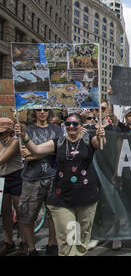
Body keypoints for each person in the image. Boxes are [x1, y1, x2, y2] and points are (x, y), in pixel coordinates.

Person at [14, 114, 106, 256]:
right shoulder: (58, 142)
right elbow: (36, 150)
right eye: (68, 124)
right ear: (64, 126)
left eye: (75, 124)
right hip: (62, 198)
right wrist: (25, 135)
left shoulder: (88, 141)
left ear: (81, 126)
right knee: (67, 238)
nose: (71, 127)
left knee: (82, 237)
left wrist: (101, 135)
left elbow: (100, 144)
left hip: (86, 197)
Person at [18, 108, 62, 256]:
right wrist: (48, 151)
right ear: (34, 112)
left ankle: (52, 244)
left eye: (45, 110)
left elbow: (60, 150)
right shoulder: (27, 130)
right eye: (38, 110)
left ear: (49, 112)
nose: (42, 112)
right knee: (28, 215)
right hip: (31, 178)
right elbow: (26, 155)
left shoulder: (56, 129)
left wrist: (36, 151)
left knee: (53, 214)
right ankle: (31, 248)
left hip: (53, 176)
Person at [0, 118, 26, 256]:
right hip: (2, 178)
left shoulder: (15, 142)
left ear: (9, 131)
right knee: (5, 212)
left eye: (2, 133)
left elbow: (2, 159)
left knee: (19, 211)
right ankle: (8, 241)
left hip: (15, 176)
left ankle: (24, 241)